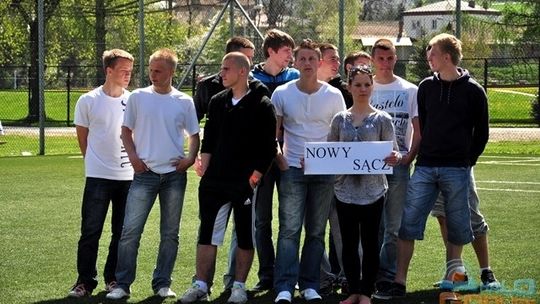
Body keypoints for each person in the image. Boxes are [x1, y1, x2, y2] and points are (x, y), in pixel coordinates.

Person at [374, 33, 489, 300]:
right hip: (425, 168)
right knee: (408, 224)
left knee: (460, 225)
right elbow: (422, 127)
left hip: (457, 169)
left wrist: (466, 161)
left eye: (432, 54)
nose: (428, 58)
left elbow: (481, 134)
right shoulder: (426, 86)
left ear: (446, 57)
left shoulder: (474, 90)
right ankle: (399, 282)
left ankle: (455, 282)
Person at [180, 52, 277, 304]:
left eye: (225, 69)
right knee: (207, 234)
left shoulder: (262, 103)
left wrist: (253, 179)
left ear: (242, 72)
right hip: (214, 183)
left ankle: (239, 286)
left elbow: (268, 147)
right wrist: (206, 172)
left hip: (243, 184)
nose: (221, 74)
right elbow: (209, 140)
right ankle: (201, 285)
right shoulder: (216, 101)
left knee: (245, 235)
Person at [106, 48, 200, 300]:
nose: (153, 75)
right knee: (130, 231)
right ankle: (123, 285)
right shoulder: (138, 97)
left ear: (171, 72)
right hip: (144, 175)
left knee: (170, 233)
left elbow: (194, 135)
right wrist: (134, 158)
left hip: (174, 177)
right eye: (150, 69)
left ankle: (162, 283)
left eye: (158, 70)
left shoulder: (184, 101)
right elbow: (126, 131)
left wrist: (189, 159)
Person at [272, 39, 346, 304]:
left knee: (316, 231)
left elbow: (340, 134)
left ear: (319, 62)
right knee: (289, 229)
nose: (306, 63)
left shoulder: (334, 95)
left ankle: (310, 284)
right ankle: (284, 286)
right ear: (295, 61)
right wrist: (281, 160)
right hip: (292, 169)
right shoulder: (282, 93)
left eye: (311, 59)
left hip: (324, 172)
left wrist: (334, 164)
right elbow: (274, 133)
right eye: (301, 59)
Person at [328, 65, 401, 304]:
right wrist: (313, 159)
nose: (362, 89)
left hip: (374, 193)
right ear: (349, 87)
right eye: (357, 84)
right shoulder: (340, 120)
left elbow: (394, 153)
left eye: (367, 84)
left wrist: (395, 157)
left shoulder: (383, 119)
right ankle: (353, 292)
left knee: (371, 244)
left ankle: (366, 293)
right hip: (344, 192)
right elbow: (331, 153)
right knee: (348, 245)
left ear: (373, 86)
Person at [68, 49, 134, 298]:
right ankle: (85, 281)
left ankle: (113, 279)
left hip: (128, 178)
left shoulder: (133, 100)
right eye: (123, 70)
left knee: (122, 232)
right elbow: (83, 141)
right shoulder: (88, 100)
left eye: (130, 70)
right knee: (90, 231)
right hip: (97, 177)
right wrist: (96, 164)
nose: (128, 74)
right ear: (108, 71)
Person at [368, 39, 420, 297]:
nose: (386, 64)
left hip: (397, 166)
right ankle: (371, 274)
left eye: (390, 59)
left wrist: (409, 156)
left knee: (393, 226)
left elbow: (418, 128)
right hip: (369, 167)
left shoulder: (410, 90)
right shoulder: (366, 88)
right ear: (373, 60)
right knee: (372, 224)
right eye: (381, 59)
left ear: (395, 59)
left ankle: (388, 276)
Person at [250, 28, 299, 292]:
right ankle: (266, 274)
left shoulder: (295, 77)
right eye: (286, 51)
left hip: (289, 157)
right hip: (262, 161)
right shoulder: (251, 78)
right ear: (271, 51)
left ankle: (288, 272)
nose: (290, 56)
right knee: (262, 220)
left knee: (291, 219)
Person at [431, 169, 500, 289]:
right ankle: (457, 273)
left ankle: (486, 271)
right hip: (434, 164)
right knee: (442, 215)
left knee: (472, 217)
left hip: (460, 164)